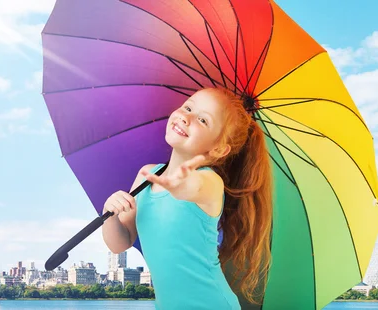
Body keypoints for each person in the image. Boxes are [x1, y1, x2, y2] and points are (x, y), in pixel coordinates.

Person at [101, 87, 273, 309]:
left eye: (203, 120)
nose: (186, 117)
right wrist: (110, 214)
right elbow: (119, 243)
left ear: (219, 149)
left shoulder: (210, 183)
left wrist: (178, 182)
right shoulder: (147, 175)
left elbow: (192, 187)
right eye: (188, 107)